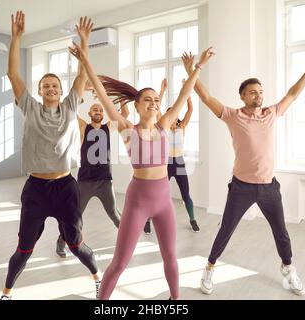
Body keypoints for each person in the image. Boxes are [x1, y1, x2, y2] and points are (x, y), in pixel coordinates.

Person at [69, 41, 214, 299]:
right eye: (148, 99)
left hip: (163, 201)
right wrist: (86, 61)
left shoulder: (164, 125)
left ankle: (175, 300)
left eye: (157, 100)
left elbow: (184, 95)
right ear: (136, 105)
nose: (154, 103)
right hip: (138, 201)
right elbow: (103, 94)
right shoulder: (127, 128)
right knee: (120, 262)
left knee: (170, 257)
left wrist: (199, 66)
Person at [181, 50, 305, 296]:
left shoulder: (271, 113)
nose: (259, 95)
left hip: (269, 187)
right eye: (253, 92)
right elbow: (206, 96)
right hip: (242, 187)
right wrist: (192, 69)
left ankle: (288, 269)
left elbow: (293, 94)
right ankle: (209, 268)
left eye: (261, 91)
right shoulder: (233, 116)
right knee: (226, 229)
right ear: (243, 96)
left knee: (281, 233)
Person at [0, 12, 100, 300]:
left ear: (61, 90)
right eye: (46, 86)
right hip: (36, 189)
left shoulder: (70, 105)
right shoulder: (29, 107)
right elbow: (13, 75)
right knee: (23, 249)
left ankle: (96, 278)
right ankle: (6, 293)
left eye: (55, 85)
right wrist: (16, 37)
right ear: (41, 91)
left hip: (66, 187)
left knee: (76, 245)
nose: (52, 88)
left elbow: (82, 76)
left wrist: (85, 42)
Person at [55, 100, 127, 257]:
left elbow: (125, 115)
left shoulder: (108, 128)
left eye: (101, 110)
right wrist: (74, 100)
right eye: (95, 109)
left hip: (105, 182)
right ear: (89, 113)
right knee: (75, 215)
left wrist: (122, 100)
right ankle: (61, 241)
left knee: (114, 213)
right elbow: (71, 112)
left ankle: (128, 242)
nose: (98, 112)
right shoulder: (83, 127)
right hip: (85, 181)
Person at [143, 79, 200, 234]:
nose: (171, 117)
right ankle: (147, 221)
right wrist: (162, 90)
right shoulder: (164, 128)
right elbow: (157, 107)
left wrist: (186, 91)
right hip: (166, 164)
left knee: (186, 194)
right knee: (156, 193)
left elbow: (190, 109)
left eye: (173, 114)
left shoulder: (183, 126)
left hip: (179, 163)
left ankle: (193, 219)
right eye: (169, 115)